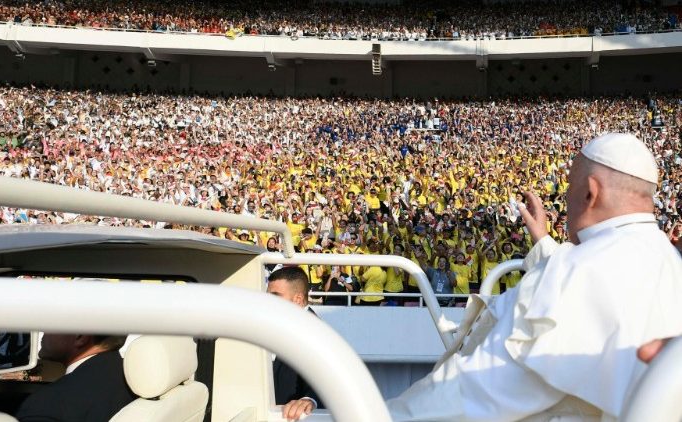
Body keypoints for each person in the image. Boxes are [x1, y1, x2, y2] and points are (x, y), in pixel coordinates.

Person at [387, 133, 682, 421]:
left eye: (569, 187)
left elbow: (476, 393)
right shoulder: (668, 258)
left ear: (591, 192)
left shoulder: (569, 274)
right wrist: (542, 240)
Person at [16, 334, 134, 422]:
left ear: (80, 337)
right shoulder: (134, 383)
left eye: (51, 322)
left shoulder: (48, 404)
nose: (44, 330)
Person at [266, 266, 322, 421]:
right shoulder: (280, 323)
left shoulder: (317, 332)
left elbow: (326, 375)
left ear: (297, 299)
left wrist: (310, 400)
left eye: (275, 296)